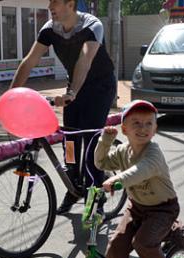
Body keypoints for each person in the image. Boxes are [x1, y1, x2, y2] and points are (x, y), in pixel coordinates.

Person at [10, 0, 116, 213]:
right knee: (70, 141)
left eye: (55, 2)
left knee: (90, 141)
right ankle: (74, 188)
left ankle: (95, 194)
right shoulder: (50, 28)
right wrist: (11, 95)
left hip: (99, 88)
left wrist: (71, 93)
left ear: (70, 4)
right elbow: (30, 61)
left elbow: (84, 60)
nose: (50, 6)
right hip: (74, 88)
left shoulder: (91, 25)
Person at [94, 100, 180, 258]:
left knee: (143, 243)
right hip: (137, 207)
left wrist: (117, 180)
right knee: (115, 245)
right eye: (136, 123)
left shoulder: (153, 152)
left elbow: (140, 171)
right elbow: (101, 162)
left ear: (155, 129)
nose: (143, 128)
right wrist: (105, 141)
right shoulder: (124, 150)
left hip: (163, 209)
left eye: (148, 124)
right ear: (124, 129)